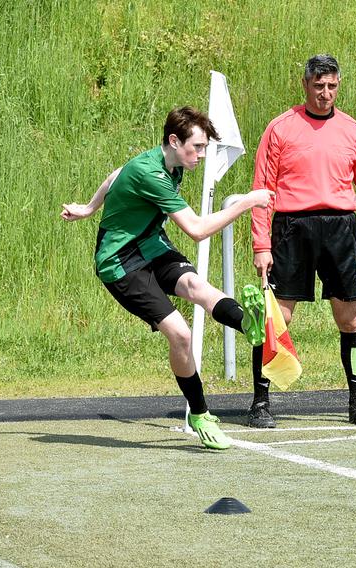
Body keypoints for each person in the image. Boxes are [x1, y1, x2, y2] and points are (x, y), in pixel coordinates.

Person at [61, 106, 274, 450]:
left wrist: (88, 208)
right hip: (121, 264)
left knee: (196, 286)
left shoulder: (169, 163)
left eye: (205, 148)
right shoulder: (153, 175)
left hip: (151, 247)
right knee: (180, 334)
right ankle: (200, 413)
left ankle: (246, 323)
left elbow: (116, 174)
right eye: (198, 147)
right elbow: (197, 230)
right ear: (174, 141)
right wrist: (247, 202)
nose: (201, 156)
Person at [248, 54, 356, 428]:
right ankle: (260, 403)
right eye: (318, 86)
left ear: (338, 86)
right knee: (277, 319)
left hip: (341, 230)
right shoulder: (280, 128)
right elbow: (262, 191)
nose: (325, 94)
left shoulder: (351, 130)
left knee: (351, 319)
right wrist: (261, 246)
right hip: (292, 229)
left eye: (331, 87)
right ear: (305, 85)